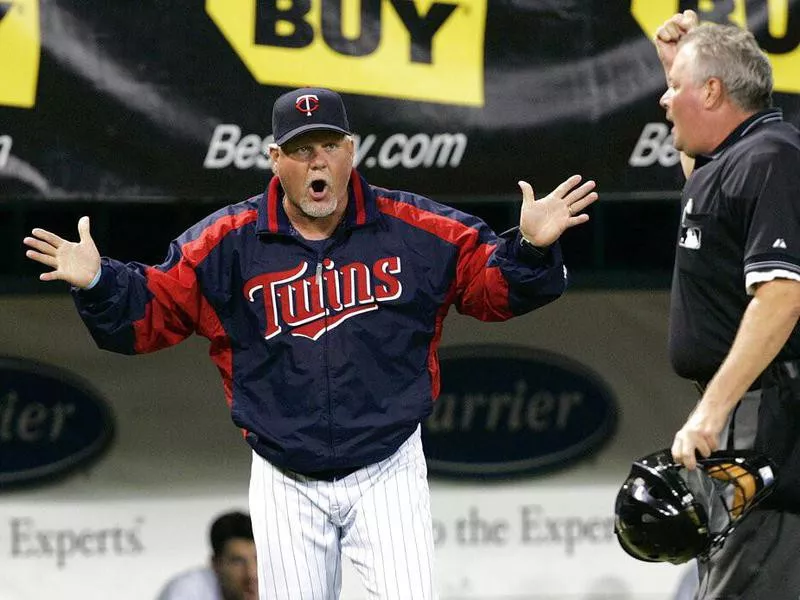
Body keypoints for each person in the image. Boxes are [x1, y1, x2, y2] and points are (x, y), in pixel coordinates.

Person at [22, 86, 598, 599]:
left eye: (327, 146)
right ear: (275, 160)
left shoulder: (413, 229)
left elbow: (489, 287)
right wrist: (99, 282)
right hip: (284, 474)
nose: (316, 162)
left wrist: (528, 247)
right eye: (300, 150)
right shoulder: (228, 243)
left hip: (386, 465)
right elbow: (152, 311)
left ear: (352, 151)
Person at [654, 10, 800, 599]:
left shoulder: (772, 158)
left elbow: (782, 296)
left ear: (712, 91)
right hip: (750, 412)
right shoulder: (734, 157)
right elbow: (704, 175)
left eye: (675, 89)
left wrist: (712, 413)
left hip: (769, 415)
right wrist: (675, 64)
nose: (664, 101)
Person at [157, 510, 258, 600]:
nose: (252, 574)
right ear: (215, 564)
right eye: (238, 562)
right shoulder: (186, 591)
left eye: (258, 560)